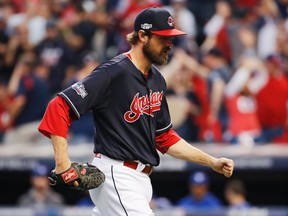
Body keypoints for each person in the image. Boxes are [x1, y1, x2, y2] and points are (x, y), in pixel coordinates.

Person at [38, 7, 234, 216]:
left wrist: (211, 161)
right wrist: (63, 163)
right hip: (117, 173)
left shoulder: (157, 79)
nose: (170, 44)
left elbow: (165, 138)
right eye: (163, 38)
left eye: (171, 38)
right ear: (142, 35)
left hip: (141, 181)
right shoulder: (114, 72)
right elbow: (58, 105)